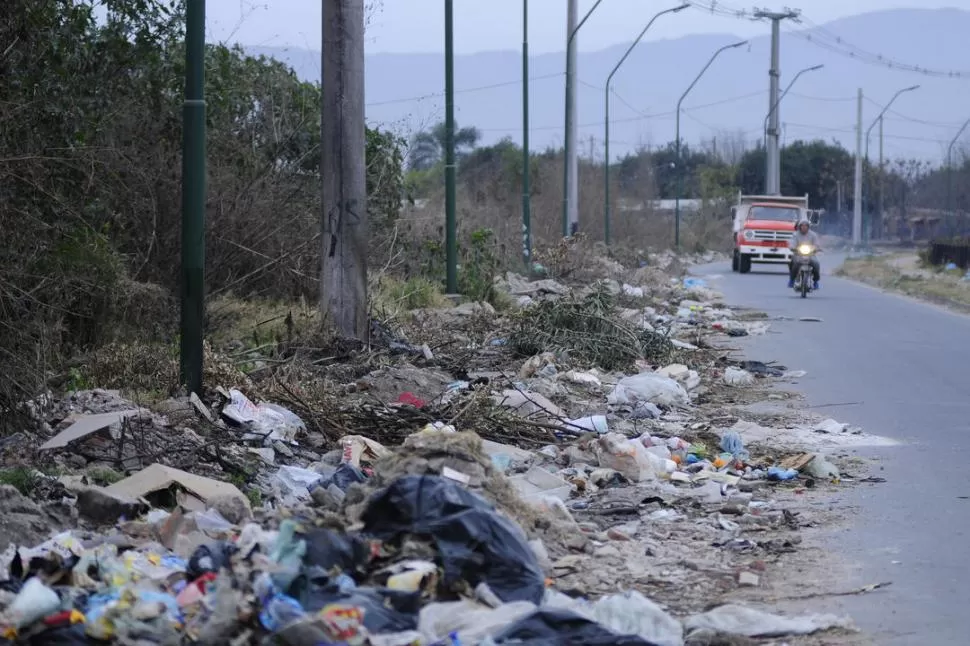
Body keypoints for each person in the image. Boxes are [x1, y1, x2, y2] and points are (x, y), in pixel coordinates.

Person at [787, 219, 821, 289]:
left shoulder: (813, 235)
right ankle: (792, 280)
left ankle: (815, 281)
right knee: (794, 264)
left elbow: (817, 244)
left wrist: (816, 248)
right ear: (799, 227)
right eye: (802, 225)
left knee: (816, 264)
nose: (804, 227)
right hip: (798, 254)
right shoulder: (795, 234)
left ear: (808, 227)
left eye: (806, 226)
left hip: (810, 255)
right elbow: (792, 243)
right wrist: (793, 247)